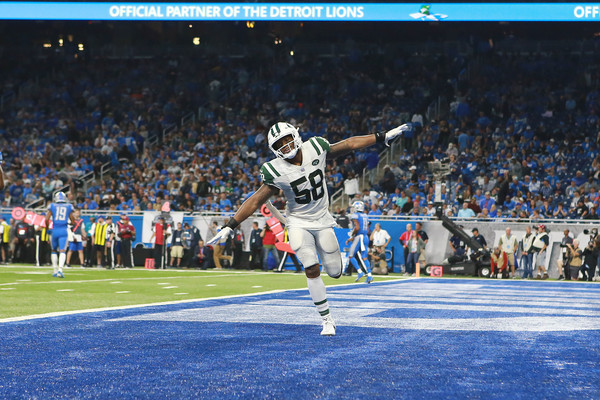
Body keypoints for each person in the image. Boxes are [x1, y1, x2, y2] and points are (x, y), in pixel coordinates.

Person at [207, 120, 408, 336]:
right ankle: (327, 319)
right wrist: (230, 225)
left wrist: (381, 136)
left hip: (322, 219)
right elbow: (256, 199)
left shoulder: (315, 147)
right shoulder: (275, 170)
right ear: (274, 149)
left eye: (287, 139)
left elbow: (349, 144)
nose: (285, 145)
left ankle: (332, 263)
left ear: (295, 135)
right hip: (297, 222)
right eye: (280, 143)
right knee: (311, 268)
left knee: (335, 272)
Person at [45, 191, 76, 278]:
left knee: (53, 250)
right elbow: (73, 220)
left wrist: (48, 229)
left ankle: (55, 270)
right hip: (63, 230)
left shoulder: (52, 206)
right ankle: (60, 270)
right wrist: (72, 224)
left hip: (55, 230)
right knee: (62, 250)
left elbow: (46, 220)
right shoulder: (69, 206)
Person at [344, 200, 373, 283]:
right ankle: (370, 276)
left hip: (359, 237)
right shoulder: (365, 215)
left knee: (351, 255)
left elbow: (357, 228)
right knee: (364, 257)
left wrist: (352, 235)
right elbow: (364, 229)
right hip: (365, 237)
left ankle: (360, 272)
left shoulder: (355, 215)